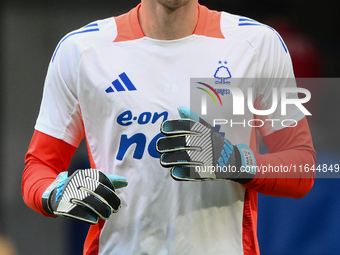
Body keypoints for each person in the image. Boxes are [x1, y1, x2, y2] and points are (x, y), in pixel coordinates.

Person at [21, 0, 316, 254]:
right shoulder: (81, 50)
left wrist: (236, 162)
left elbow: (302, 167)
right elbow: (39, 168)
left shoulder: (256, 45)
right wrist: (55, 194)